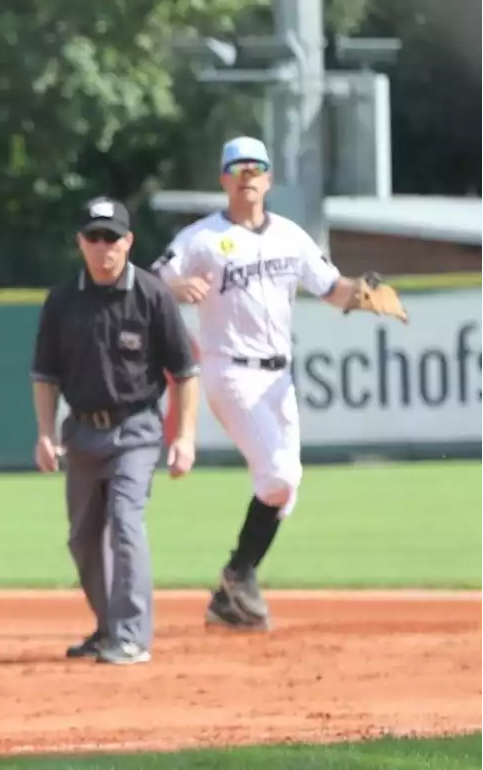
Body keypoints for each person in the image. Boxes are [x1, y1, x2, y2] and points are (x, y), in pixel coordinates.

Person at [151, 136, 407, 631]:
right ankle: (238, 574)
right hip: (230, 370)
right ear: (224, 179)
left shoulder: (291, 236)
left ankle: (231, 598)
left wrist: (364, 295)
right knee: (278, 478)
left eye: (256, 168)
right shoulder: (200, 238)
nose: (247, 175)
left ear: (269, 179)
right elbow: (149, 281)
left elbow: (332, 290)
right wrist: (174, 286)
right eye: (237, 168)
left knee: (284, 491)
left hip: (278, 377)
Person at [31, 197, 200, 665]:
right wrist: (45, 434)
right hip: (81, 433)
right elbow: (45, 376)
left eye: (112, 237)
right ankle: (107, 628)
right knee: (83, 539)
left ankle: (131, 636)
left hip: (136, 430)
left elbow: (186, 372)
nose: (103, 246)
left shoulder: (151, 295)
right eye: (94, 237)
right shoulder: (62, 300)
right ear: (80, 242)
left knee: (126, 523)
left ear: (128, 241)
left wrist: (184, 437)